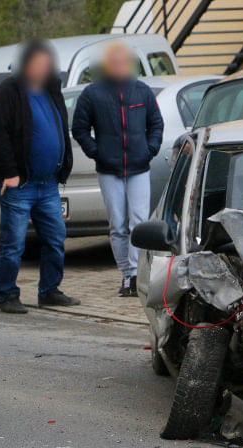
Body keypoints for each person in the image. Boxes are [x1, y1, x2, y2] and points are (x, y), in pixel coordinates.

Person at [0, 39, 80, 314]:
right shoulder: (6, 92)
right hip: (20, 184)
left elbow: (61, 130)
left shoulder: (52, 90)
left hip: (48, 183)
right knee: (13, 243)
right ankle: (7, 294)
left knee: (55, 238)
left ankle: (49, 291)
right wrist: (9, 173)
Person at [72, 42, 164, 297]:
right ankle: (127, 274)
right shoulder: (93, 94)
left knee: (139, 223)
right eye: (115, 62)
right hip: (109, 170)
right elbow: (79, 128)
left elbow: (156, 124)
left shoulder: (142, 92)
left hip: (139, 168)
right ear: (107, 65)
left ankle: (138, 274)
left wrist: (149, 150)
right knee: (117, 226)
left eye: (124, 61)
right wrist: (96, 152)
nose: (120, 66)